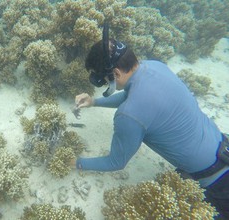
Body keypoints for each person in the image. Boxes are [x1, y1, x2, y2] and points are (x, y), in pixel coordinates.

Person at [72, 23, 229, 219]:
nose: (104, 84)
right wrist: (94, 101)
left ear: (116, 74)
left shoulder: (127, 116)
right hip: (223, 145)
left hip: (217, 185)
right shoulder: (154, 66)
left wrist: (76, 162)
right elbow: (134, 96)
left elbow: (115, 162)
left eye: (103, 80)